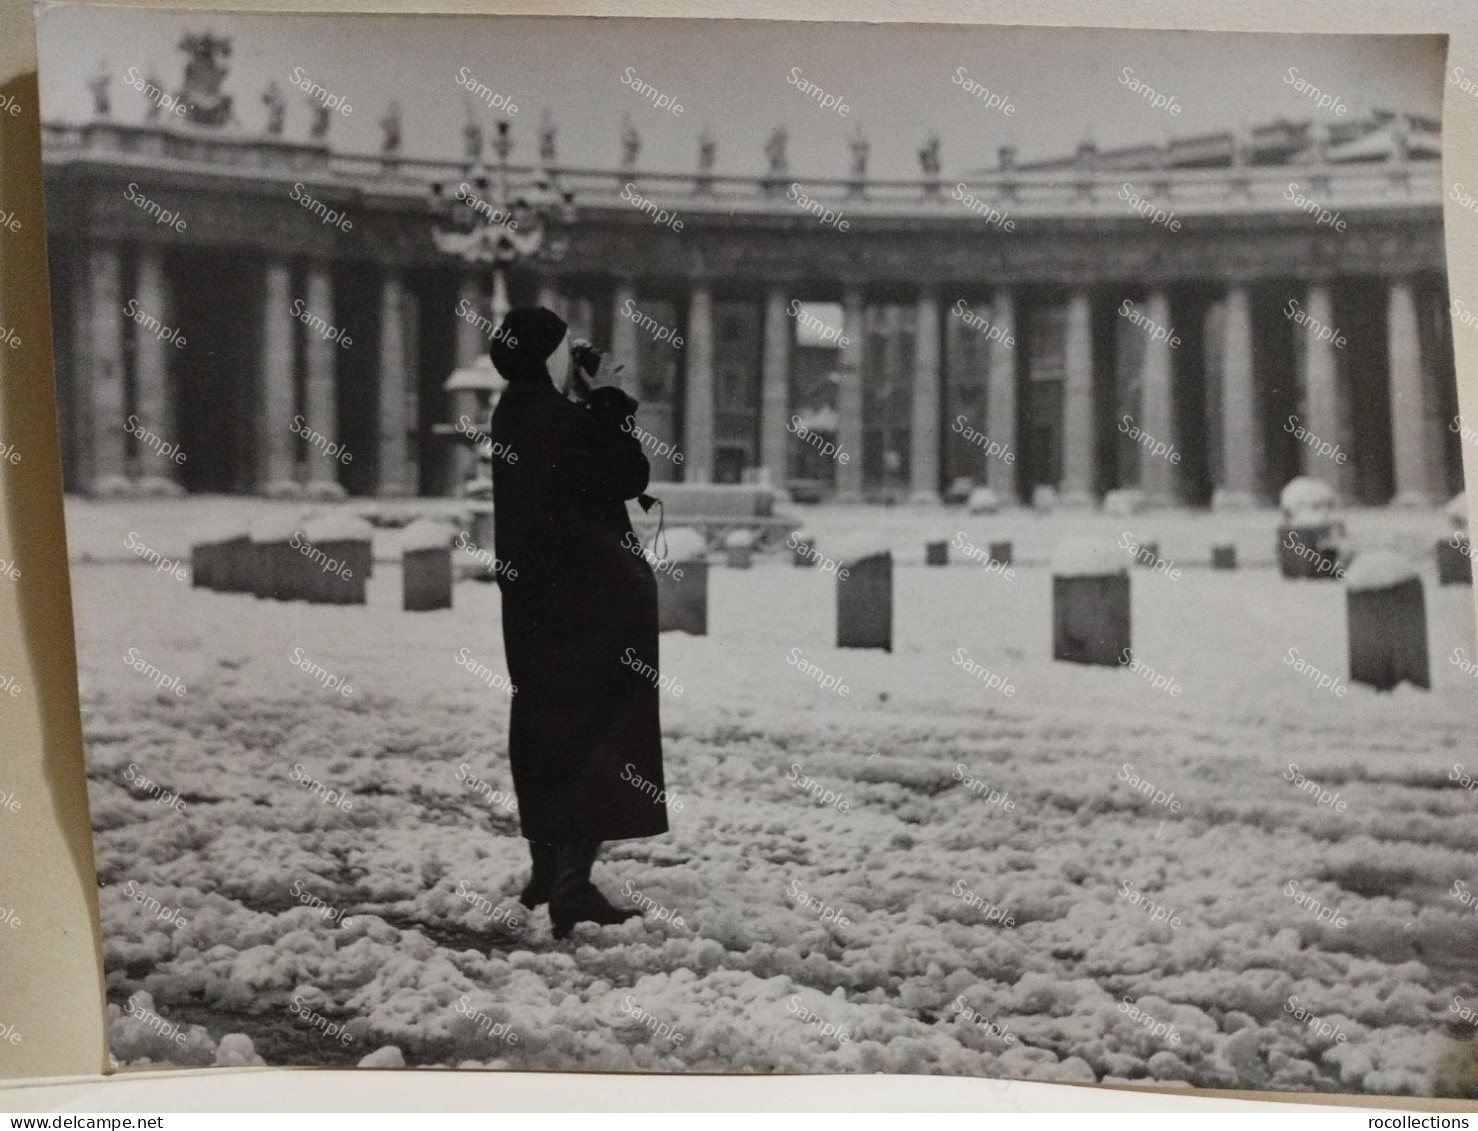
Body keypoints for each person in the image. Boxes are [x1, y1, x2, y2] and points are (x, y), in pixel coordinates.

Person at [486, 306, 669, 939]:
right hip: (589, 606)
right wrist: (612, 399)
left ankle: (545, 872)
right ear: (549, 356)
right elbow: (625, 474)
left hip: (537, 607)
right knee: (598, 733)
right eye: (568, 349)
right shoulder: (561, 420)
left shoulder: (512, 411)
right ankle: (571, 886)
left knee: (544, 729)